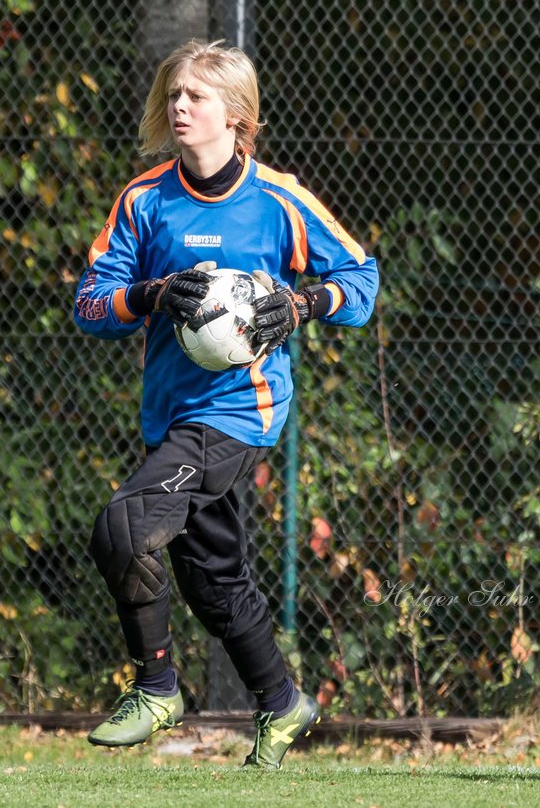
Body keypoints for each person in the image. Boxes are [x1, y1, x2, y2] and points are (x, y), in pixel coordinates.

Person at [71, 39, 379, 769]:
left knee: (122, 528)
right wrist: (145, 295)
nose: (179, 106)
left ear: (236, 115)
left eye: (196, 97)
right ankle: (282, 703)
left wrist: (304, 304)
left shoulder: (278, 199)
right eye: (173, 94)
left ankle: (157, 687)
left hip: (242, 409)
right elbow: (87, 303)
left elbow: (361, 281)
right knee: (212, 581)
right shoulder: (144, 201)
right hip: (174, 417)